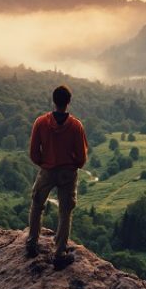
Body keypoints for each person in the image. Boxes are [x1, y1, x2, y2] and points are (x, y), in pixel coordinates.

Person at [26, 85, 88, 269]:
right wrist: (73, 166)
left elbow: (33, 152)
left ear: (53, 101)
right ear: (68, 102)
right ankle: (60, 252)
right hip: (68, 173)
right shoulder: (76, 125)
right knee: (65, 211)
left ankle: (31, 244)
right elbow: (82, 156)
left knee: (37, 205)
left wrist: (44, 164)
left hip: (47, 171)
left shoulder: (41, 122)